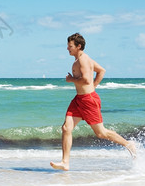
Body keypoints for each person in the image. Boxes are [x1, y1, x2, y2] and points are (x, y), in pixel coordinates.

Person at [50, 33, 136, 171]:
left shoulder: (83, 60)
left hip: (88, 100)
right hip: (79, 99)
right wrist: (93, 86)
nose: (67, 48)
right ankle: (65, 162)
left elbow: (86, 80)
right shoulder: (82, 60)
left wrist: (74, 80)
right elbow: (101, 71)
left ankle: (129, 144)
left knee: (101, 133)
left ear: (79, 46)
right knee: (66, 128)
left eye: (70, 46)